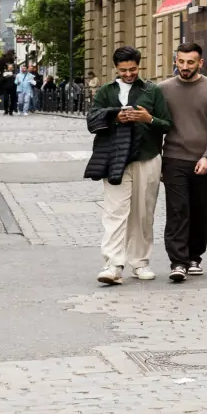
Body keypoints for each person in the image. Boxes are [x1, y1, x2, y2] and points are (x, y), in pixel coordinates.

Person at [86, 47, 173, 286]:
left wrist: (148, 119)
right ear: (116, 68)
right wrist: (115, 117)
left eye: (132, 69)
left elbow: (166, 124)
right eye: (123, 70)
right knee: (115, 212)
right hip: (115, 159)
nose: (128, 74)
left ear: (139, 66)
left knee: (143, 212)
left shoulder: (152, 90)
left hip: (147, 156)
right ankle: (113, 264)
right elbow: (92, 119)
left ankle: (140, 262)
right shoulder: (106, 91)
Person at [158, 43, 207, 283]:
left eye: (191, 62)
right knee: (178, 210)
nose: (185, 67)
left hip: (205, 160)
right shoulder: (163, 90)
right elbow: (157, 126)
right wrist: (158, 159)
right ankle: (178, 261)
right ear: (175, 61)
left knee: (201, 210)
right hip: (174, 158)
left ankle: (194, 257)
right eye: (181, 62)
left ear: (200, 62)